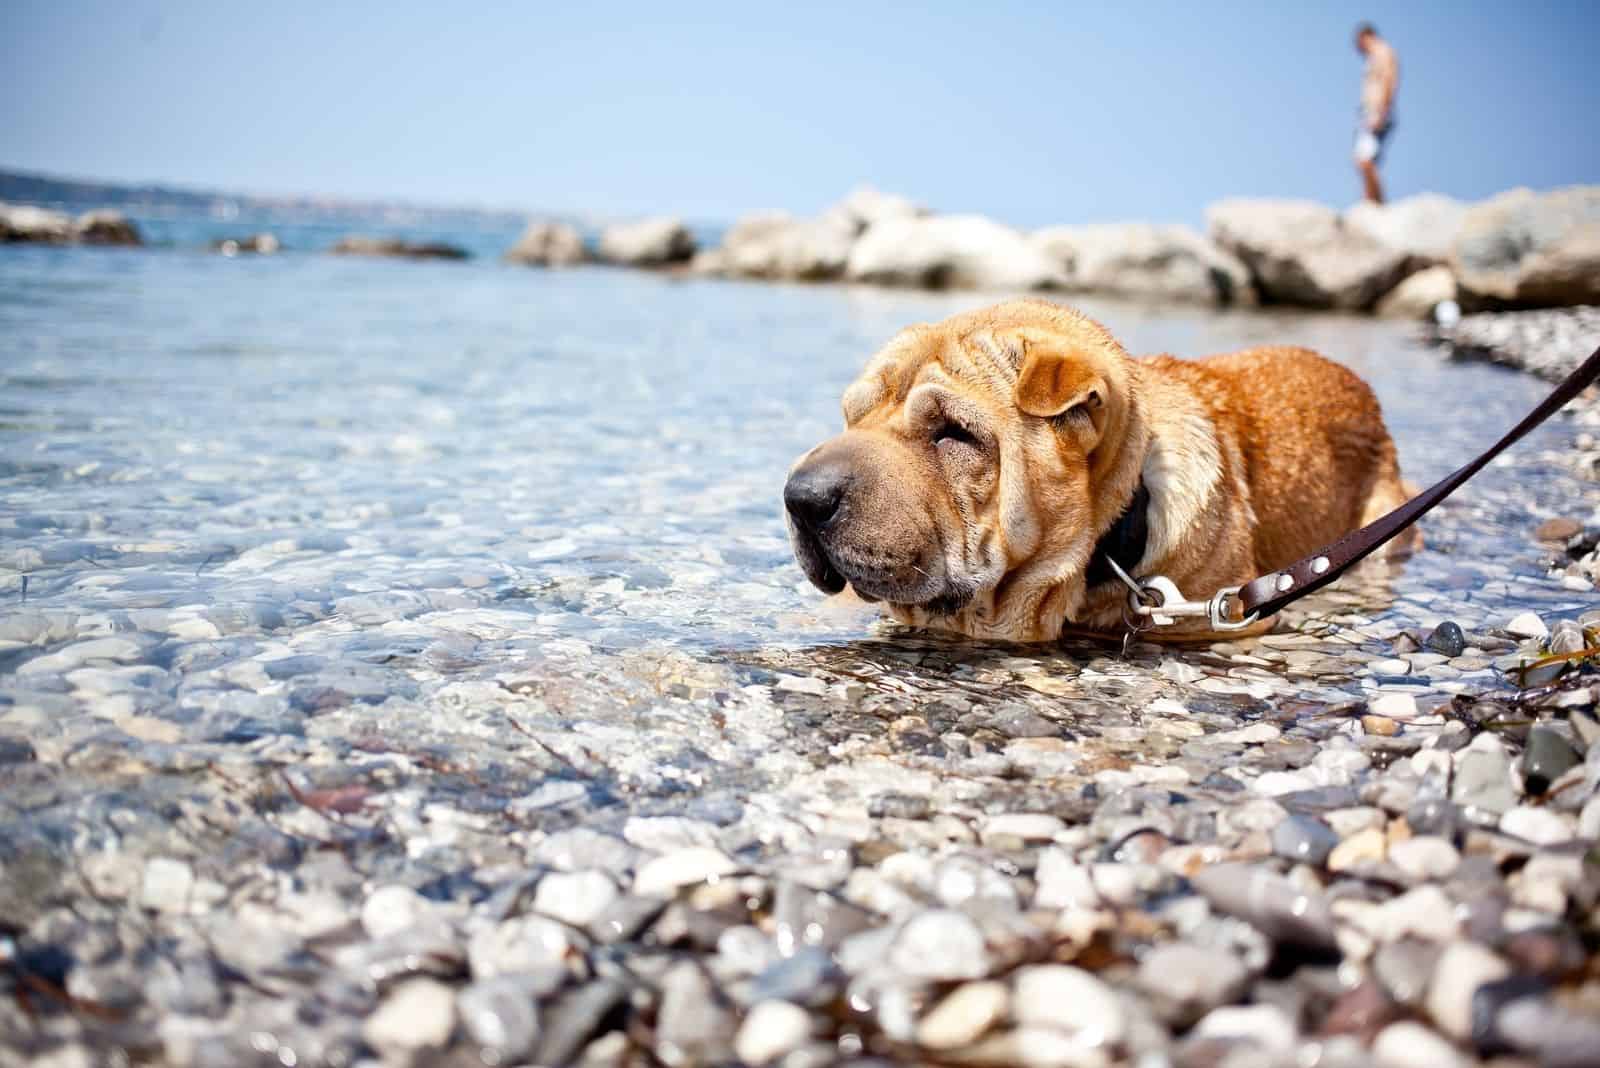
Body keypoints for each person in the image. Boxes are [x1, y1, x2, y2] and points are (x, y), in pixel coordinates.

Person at [1353, 23, 1399, 204]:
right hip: (1371, 112)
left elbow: (1389, 80)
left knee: (1364, 160)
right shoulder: (1375, 56)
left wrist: (1383, 112)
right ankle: (1371, 202)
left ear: (1365, 37)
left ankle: (1375, 205)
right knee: (1364, 160)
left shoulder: (1383, 52)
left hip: (1377, 111)